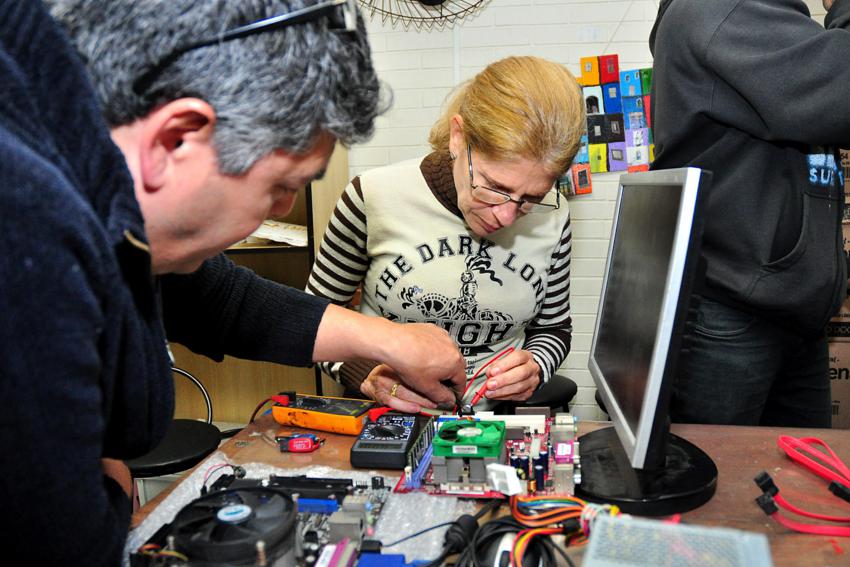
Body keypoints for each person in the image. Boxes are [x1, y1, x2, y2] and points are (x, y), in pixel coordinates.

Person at [1, 1, 465, 564]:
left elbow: (216, 299)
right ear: (177, 139)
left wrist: (387, 338)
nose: (285, 207)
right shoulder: (23, 235)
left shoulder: (77, 152)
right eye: (280, 186)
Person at [306, 56, 585, 413]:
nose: (506, 215)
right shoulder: (373, 196)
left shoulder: (556, 214)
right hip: (389, 420)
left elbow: (554, 329)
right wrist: (368, 374)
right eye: (494, 187)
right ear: (458, 137)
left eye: (531, 198)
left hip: (495, 422)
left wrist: (536, 366)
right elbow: (314, 319)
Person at [649, 0, 850, 427]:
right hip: (734, 314)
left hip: (786, 305)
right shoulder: (722, 9)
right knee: (720, 483)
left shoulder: (769, 17)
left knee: (801, 485)